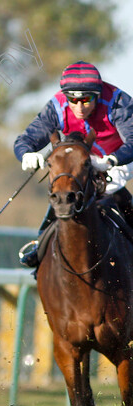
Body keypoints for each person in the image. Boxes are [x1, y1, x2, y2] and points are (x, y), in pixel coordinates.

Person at [15, 61, 133, 267]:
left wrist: (112, 160)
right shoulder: (56, 107)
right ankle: (40, 245)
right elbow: (25, 140)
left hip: (119, 156)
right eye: (73, 100)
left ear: (97, 95)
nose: (79, 107)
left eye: (86, 100)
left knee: (112, 187)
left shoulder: (117, 102)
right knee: (65, 191)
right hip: (80, 158)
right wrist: (26, 154)